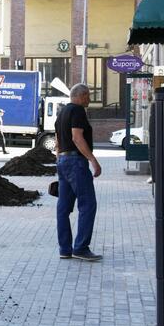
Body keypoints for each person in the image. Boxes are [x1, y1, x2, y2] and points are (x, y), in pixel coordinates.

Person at [55, 83, 102, 262]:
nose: (89, 99)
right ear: (81, 96)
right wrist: (93, 160)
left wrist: (59, 161)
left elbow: (58, 141)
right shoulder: (78, 111)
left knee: (63, 208)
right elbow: (77, 137)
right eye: (88, 96)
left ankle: (65, 249)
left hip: (63, 162)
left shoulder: (61, 113)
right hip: (76, 162)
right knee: (88, 204)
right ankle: (81, 248)